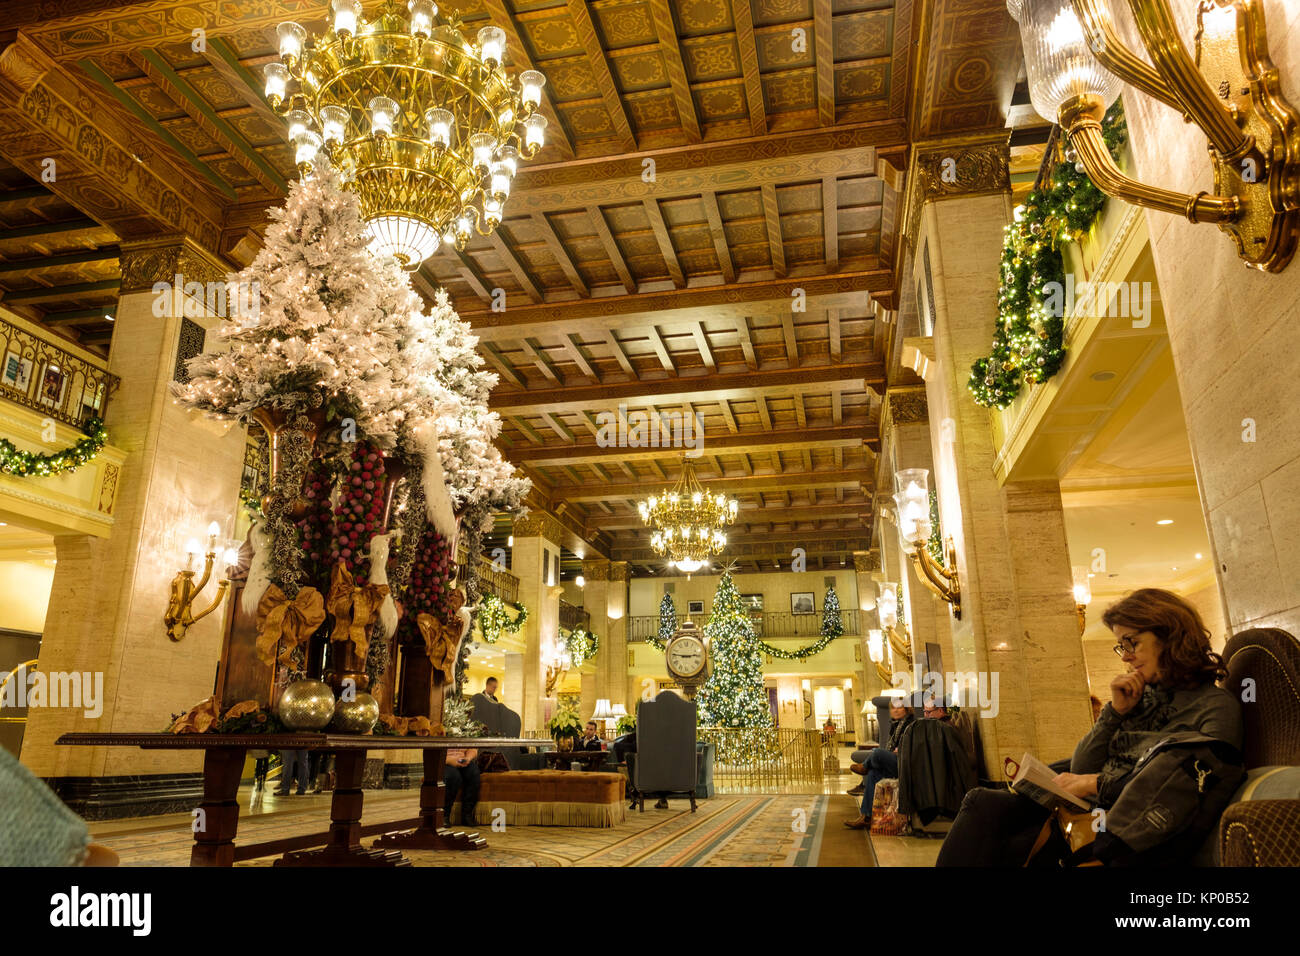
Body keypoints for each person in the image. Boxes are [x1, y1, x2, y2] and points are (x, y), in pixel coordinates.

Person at [936, 588, 1243, 866]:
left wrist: (1093, 784)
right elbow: (1084, 762)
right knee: (984, 803)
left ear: (1170, 636)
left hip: (1123, 826)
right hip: (1082, 812)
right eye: (1120, 646)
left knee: (993, 821)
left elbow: (1187, 782)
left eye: (1132, 643)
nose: (1126, 656)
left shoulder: (1214, 706)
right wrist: (1115, 712)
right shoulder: (1140, 698)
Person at [844, 699, 915, 827]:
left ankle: (864, 766)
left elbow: (912, 747)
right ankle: (866, 817)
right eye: (893, 708)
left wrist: (901, 749)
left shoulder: (911, 724)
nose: (896, 710)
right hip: (896, 760)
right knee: (873, 773)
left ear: (906, 709)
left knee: (877, 753)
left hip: (905, 764)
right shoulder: (896, 725)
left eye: (899, 708)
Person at [444, 745, 480, 826]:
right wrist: (449, 761)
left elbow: (472, 747)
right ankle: (444, 815)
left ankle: (467, 815)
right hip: (444, 761)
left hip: (462, 760)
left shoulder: (465, 732)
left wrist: (468, 758)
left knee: (473, 773)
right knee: (453, 776)